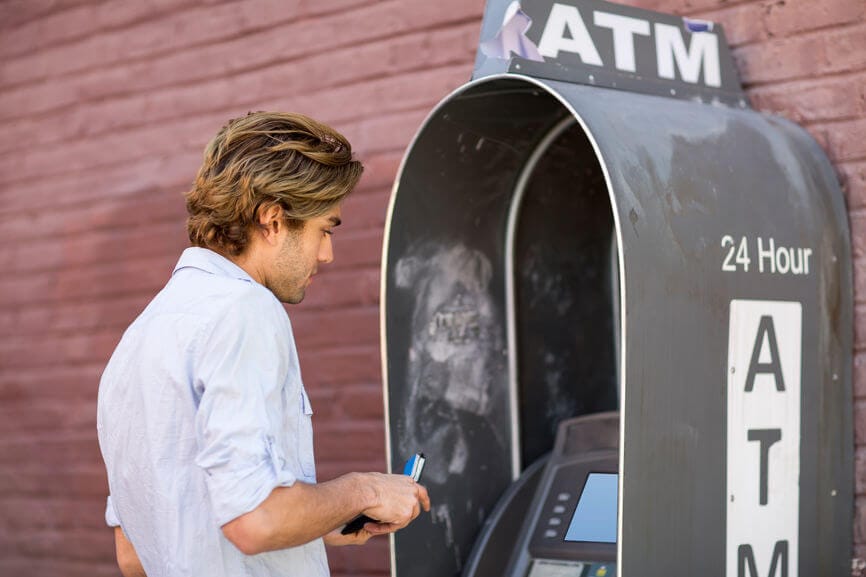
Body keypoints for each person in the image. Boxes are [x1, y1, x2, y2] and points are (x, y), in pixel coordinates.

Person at [96, 112, 430, 577]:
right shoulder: (244, 309)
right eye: (325, 229)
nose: (327, 254)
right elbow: (254, 520)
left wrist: (320, 520)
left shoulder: (138, 338)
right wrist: (365, 490)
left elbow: (134, 556)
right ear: (273, 221)